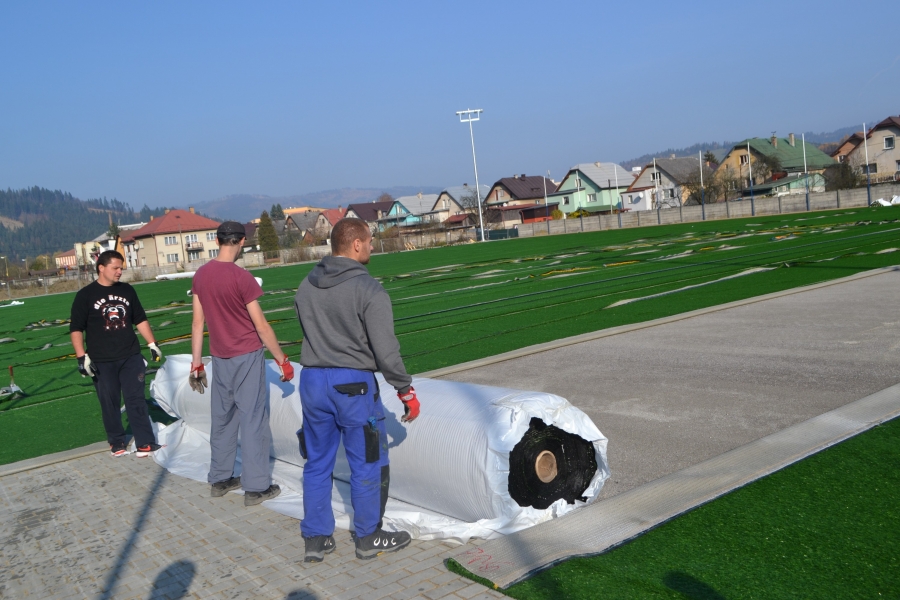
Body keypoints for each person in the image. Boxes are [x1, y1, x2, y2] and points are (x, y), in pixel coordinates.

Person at [294, 217, 421, 562]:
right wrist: (405, 391)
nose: (372, 246)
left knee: (317, 462)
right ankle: (368, 536)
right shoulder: (369, 289)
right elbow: (386, 350)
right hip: (352, 386)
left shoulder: (306, 285)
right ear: (355, 244)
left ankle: (316, 539)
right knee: (366, 462)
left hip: (312, 381)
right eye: (369, 240)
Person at [189, 221, 293, 507]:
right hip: (246, 355)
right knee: (252, 420)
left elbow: (197, 323)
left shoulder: (201, 275)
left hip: (219, 358)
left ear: (218, 240)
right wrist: (282, 360)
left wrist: (196, 364)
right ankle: (256, 487)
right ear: (242, 241)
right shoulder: (242, 277)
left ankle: (220, 478)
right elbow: (261, 326)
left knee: (222, 418)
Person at [70, 250, 164, 458]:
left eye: (121, 268)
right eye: (115, 268)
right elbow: (76, 328)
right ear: (101, 268)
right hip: (101, 360)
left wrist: (152, 343)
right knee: (109, 402)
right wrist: (81, 357)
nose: (120, 271)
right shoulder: (85, 295)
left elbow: (140, 318)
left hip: (130, 355)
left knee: (136, 399)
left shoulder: (127, 290)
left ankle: (145, 443)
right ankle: (117, 441)